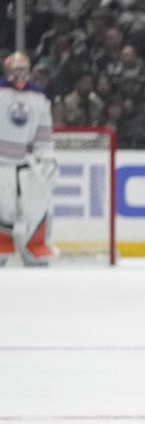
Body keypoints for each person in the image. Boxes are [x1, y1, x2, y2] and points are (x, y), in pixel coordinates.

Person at [0, 52, 58, 267]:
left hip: (26, 165)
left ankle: (36, 247)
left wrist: (47, 157)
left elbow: (44, 136)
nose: (18, 74)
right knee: (2, 210)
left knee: (37, 208)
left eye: (22, 69)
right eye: (13, 70)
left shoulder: (39, 99)